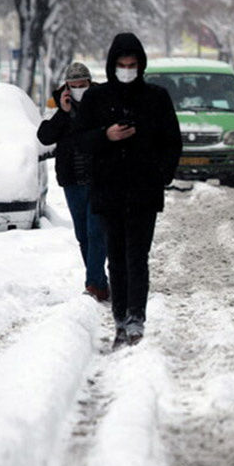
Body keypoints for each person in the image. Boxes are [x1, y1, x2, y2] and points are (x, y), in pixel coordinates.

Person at [74, 33, 182, 347]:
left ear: (140, 65)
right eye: (121, 65)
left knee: (138, 256)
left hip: (144, 191)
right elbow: (80, 140)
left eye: (132, 65)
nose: (126, 70)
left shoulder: (156, 97)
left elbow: (172, 141)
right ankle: (120, 319)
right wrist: (106, 135)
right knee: (116, 258)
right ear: (111, 65)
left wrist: (162, 173)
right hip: (108, 191)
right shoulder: (97, 99)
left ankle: (136, 319)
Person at [37, 62, 109, 302]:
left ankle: (93, 284)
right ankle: (99, 281)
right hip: (72, 180)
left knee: (96, 231)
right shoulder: (57, 104)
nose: (79, 89)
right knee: (83, 234)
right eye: (74, 86)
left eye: (83, 85)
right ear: (67, 86)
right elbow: (45, 136)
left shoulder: (103, 100)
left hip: (100, 178)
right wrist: (63, 112)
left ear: (90, 83)